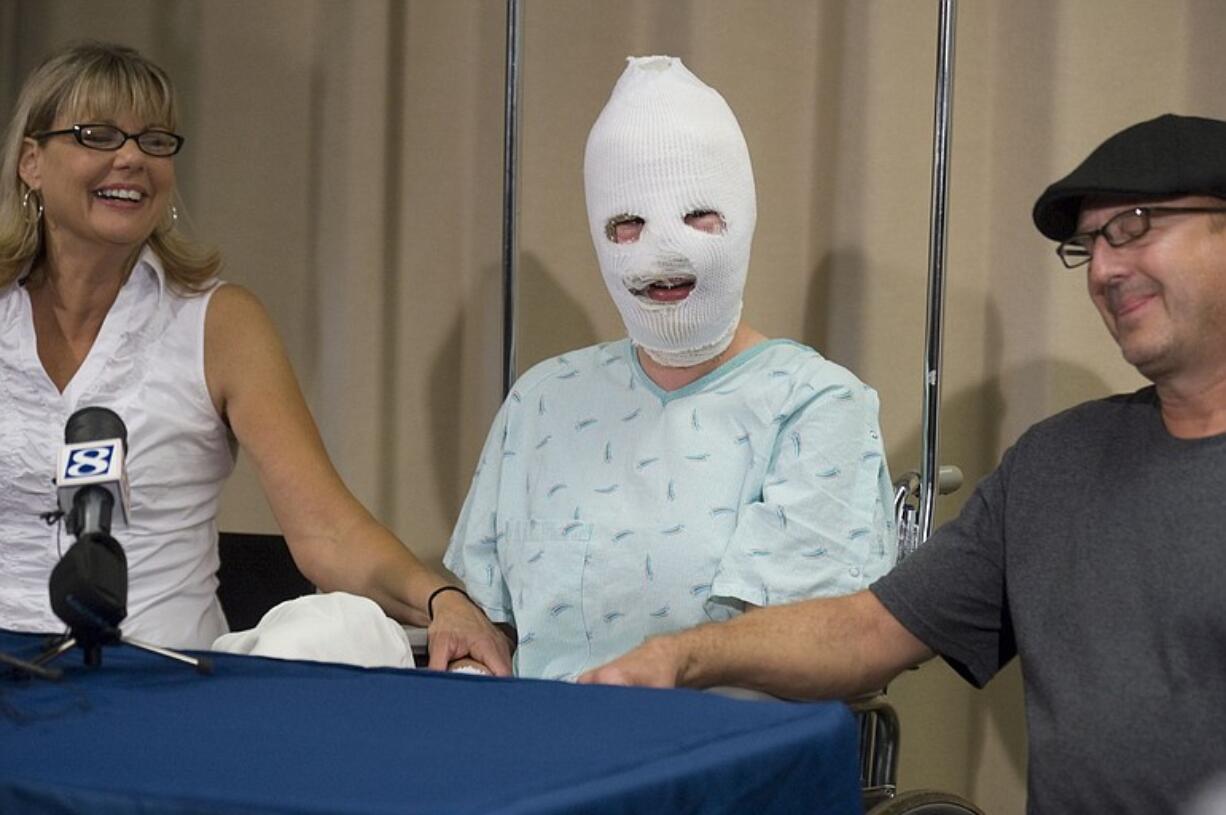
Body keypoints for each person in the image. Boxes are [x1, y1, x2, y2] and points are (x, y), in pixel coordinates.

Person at [580, 113, 1226, 812]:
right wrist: (681, 656)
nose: (1103, 267)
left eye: (1132, 225)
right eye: (1090, 243)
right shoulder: (1055, 465)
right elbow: (866, 630)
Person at [0, 41, 510, 674]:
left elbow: (326, 530)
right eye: (97, 135)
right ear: (31, 162)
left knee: (334, 633)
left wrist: (443, 599)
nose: (131, 157)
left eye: (154, 140)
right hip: (12, 683)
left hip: (162, 677)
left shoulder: (220, 322)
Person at [443, 56, 895, 681]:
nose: (661, 251)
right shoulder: (545, 399)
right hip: (539, 747)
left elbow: (821, 644)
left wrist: (672, 664)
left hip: (715, 753)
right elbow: (489, 610)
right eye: (627, 224)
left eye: (694, 217)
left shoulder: (814, 404)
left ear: (740, 218)